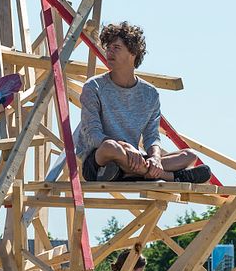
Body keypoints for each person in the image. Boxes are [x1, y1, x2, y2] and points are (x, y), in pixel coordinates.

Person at [76, 21, 211, 184]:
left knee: (190, 155)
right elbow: (93, 134)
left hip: (133, 161)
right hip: (100, 162)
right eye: (108, 47)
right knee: (110, 147)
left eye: (116, 48)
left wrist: (155, 157)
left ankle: (138, 173)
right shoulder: (94, 86)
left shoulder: (150, 93)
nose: (109, 52)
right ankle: (168, 176)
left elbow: (152, 136)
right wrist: (126, 147)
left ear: (133, 52)